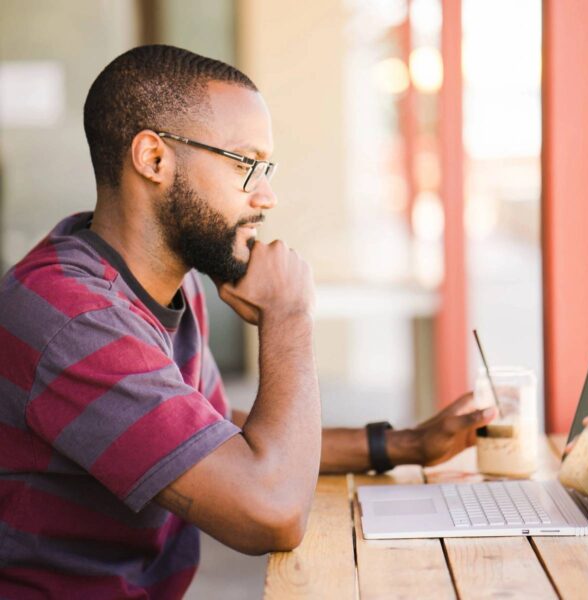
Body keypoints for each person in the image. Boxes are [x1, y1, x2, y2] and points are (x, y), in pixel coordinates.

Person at [0, 45, 496, 598]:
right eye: (245, 164)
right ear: (154, 159)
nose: (267, 195)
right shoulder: (72, 317)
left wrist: (404, 446)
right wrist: (289, 315)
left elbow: (210, 432)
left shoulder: (164, 281)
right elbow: (270, 511)